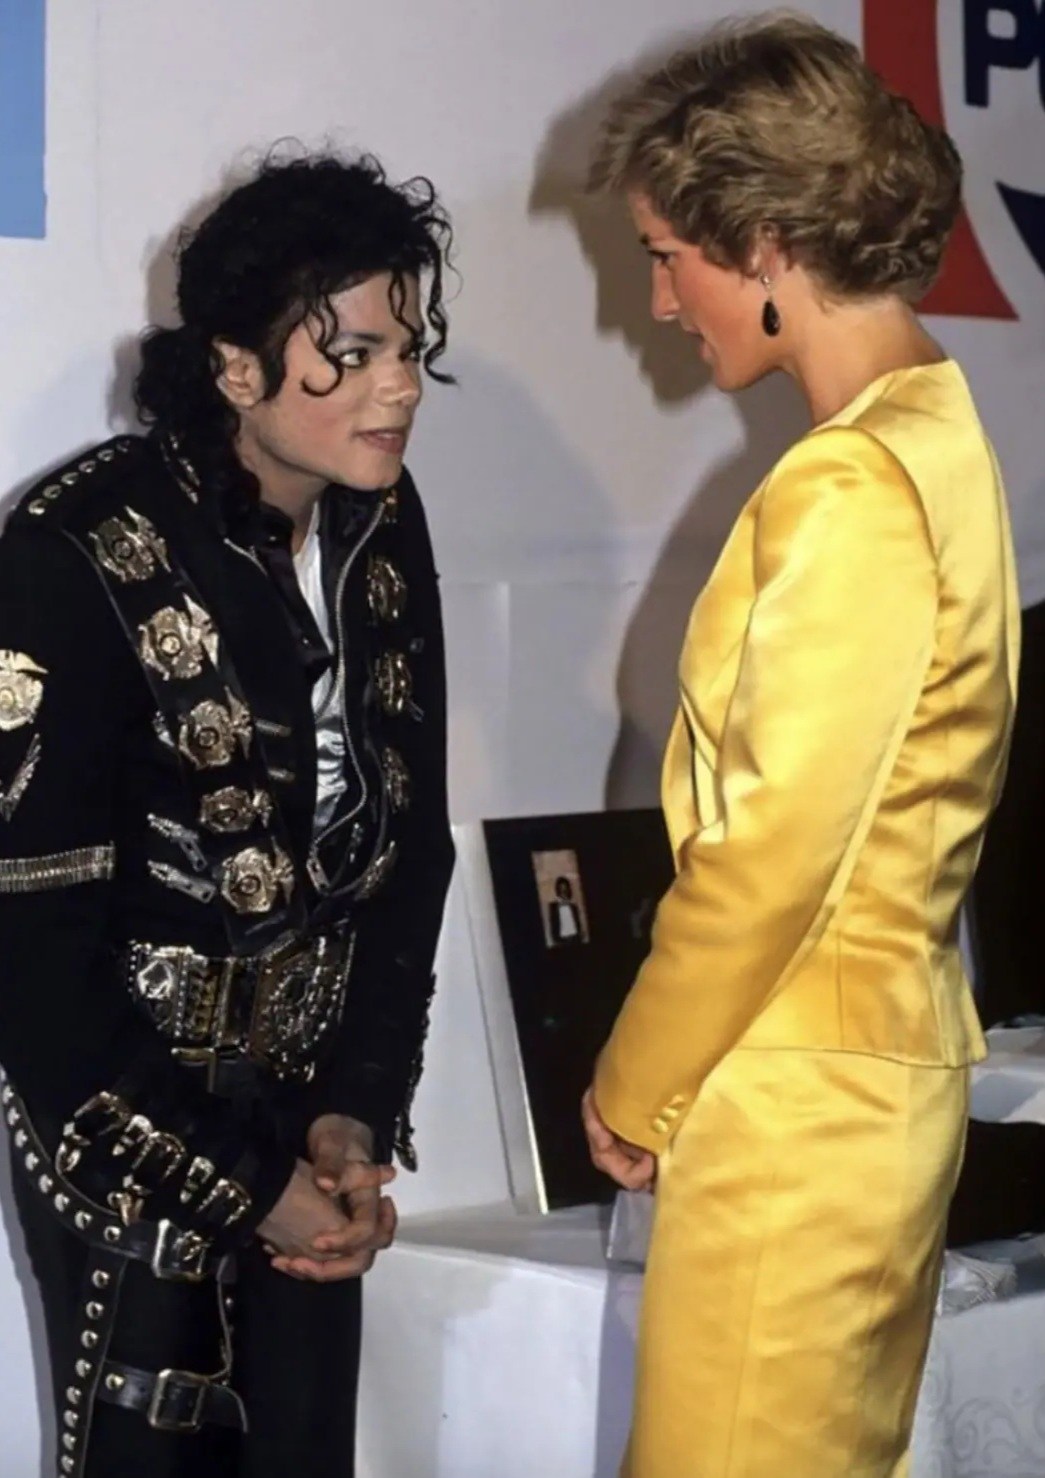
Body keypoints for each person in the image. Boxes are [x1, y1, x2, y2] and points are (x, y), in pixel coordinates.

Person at [578, 16, 1019, 1477]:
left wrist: (632, 1078)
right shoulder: (935, 434)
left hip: (798, 1113)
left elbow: (771, 853)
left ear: (763, 243)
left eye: (668, 255)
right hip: (858, 1089)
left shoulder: (852, 484)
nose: (658, 300)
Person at [0, 150, 455, 1478]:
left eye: (409, 348)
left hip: (310, 1112)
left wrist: (353, 1114)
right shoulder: (72, 551)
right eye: (351, 356)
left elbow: (411, 848)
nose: (398, 387)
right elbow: (31, 965)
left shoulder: (382, 522)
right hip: (122, 1122)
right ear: (236, 369)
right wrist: (252, 1184)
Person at [548, 875, 583, 944]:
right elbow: (553, 926)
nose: (563, 892)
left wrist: (580, 936)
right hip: (561, 941)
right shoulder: (553, 906)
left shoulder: (573, 906)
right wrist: (556, 940)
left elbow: (578, 924)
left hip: (575, 939)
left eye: (565, 889)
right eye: (561, 889)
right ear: (558, 890)